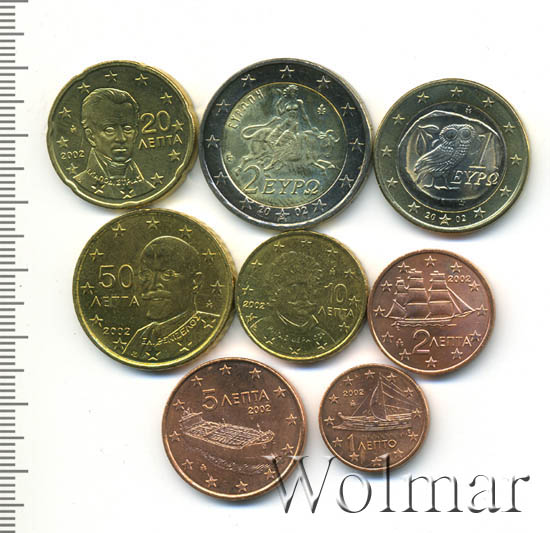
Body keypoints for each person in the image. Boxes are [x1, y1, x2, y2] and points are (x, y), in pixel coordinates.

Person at [124, 236, 219, 361]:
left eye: (167, 274)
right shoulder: (141, 336)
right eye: (146, 274)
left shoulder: (207, 327)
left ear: (195, 282)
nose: (153, 285)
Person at [250, 250, 334, 355]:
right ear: (276, 290)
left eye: (309, 288)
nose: (304, 296)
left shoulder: (325, 338)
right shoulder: (260, 329)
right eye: (294, 288)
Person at [75, 88, 154, 197]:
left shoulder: (147, 188)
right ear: (91, 136)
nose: (121, 138)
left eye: (127, 128)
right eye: (109, 130)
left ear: (135, 133)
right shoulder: (82, 183)